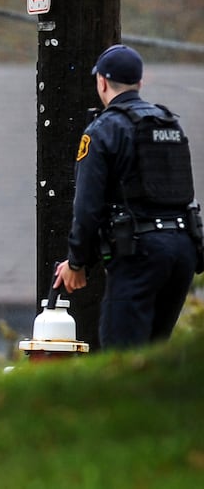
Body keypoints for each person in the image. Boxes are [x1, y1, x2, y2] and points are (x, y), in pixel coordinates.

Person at [54, 44, 200, 349]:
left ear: (102, 82)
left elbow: (87, 209)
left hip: (139, 255)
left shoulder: (103, 129)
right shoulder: (168, 123)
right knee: (155, 358)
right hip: (183, 251)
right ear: (140, 83)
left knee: (122, 359)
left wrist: (77, 262)